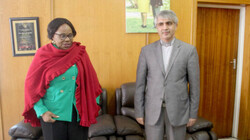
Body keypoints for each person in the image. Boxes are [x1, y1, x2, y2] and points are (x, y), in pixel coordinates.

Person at [22, 18, 102, 140]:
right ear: (52, 36)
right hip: (52, 114)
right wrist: (42, 112)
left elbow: (91, 81)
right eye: (62, 36)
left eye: (70, 35)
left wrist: (93, 103)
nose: (67, 39)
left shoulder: (80, 53)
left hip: (77, 112)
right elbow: (31, 87)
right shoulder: (42, 55)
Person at [134, 10, 200, 140]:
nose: (165, 27)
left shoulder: (189, 51)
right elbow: (140, 85)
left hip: (178, 110)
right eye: (161, 24)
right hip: (153, 111)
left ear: (175, 25)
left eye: (169, 23)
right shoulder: (146, 51)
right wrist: (139, 112)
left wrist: (193, 114)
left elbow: (195, 86)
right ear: (156, 27)